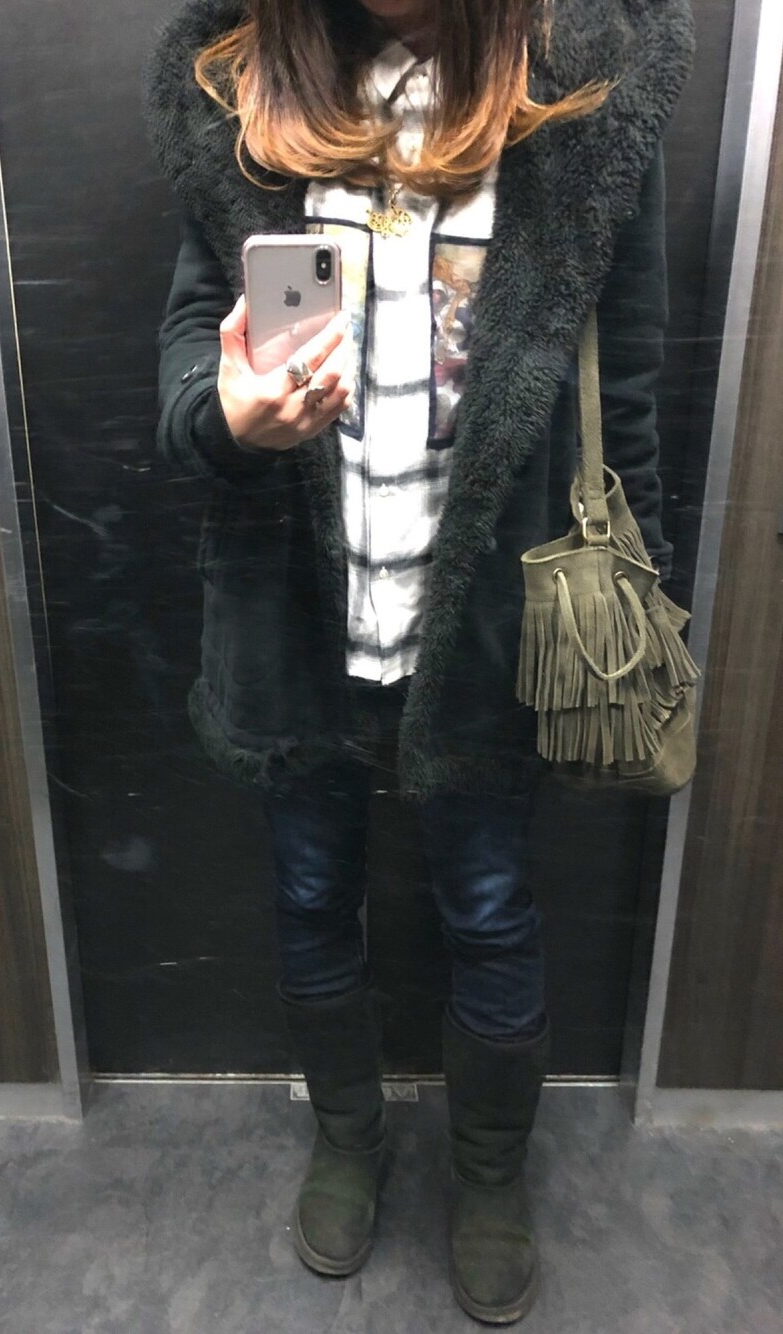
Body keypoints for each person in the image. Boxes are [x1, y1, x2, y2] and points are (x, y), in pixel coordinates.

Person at [142, 0, 694, 1322]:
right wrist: (227, 419)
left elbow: (627, 386)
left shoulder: (580, 92)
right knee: (310, 894)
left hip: (491, 611)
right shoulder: (245, 92)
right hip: (299, 609)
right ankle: (347, 1136)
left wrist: (639, 589)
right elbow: (196, 341)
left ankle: (490, 1173)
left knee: (492, 906)